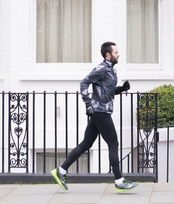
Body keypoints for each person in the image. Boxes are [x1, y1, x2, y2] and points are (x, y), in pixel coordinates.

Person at [52, 41, 139, 193]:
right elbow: (84, 83)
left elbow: (107, 91)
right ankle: (119, 181)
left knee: (86, 144)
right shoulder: (102, 68)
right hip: (100, 111)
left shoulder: (111, 70)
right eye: (116, 52)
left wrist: (121, 89)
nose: (119, 54)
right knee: (113, 143)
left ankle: (61, 170)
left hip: (101, 110)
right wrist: (88, 104)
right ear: (108, 54)